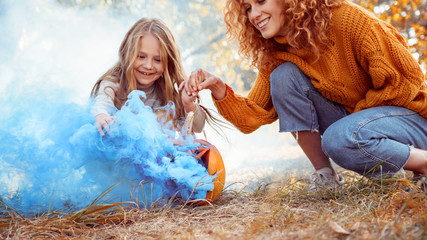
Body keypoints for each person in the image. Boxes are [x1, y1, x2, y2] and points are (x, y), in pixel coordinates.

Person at [181, 0, 427, 188]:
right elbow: (251, 118)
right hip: (361, 126)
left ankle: (423, 163)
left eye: (261, 1)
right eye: (247, 7)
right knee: (283, 77)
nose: (254, 14)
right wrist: (219, 89)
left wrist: (355, 123)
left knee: (340, 137)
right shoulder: (277, 52)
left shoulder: (347, 20)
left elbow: (406, 83)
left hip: (412, 120)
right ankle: (325, 177)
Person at [91, 17, 208, 137]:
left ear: (168, 62)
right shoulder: (113, 84)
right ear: (127, 54)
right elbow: (101, 104)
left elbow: (198, 127)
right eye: (141, 56)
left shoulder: (168, 94)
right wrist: (102, 116)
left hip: (159, 153)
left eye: (158, 60)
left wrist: (188, 104)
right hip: (121, 152)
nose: (148, 66)